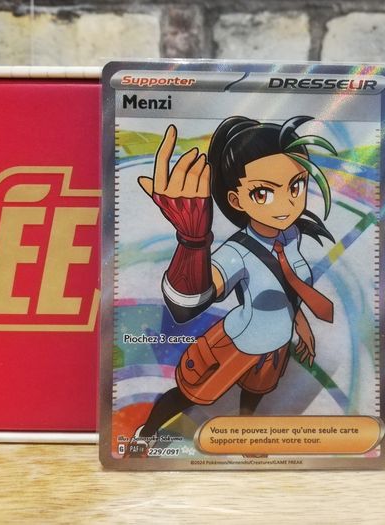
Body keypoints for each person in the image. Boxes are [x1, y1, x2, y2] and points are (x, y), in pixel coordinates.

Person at [134, 115, 336, 443]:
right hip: (234, 344)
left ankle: (244, 436)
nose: (287, 203)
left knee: (255, 396)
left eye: (296, 186)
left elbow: (287, 290)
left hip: (274, 347)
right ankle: (145, 433)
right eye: (263, 193)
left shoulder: (290, 235)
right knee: (189, 396)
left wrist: (302, 327)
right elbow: (191, 300)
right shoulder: (236, 253)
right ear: (235, 199)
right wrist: (192, 241)